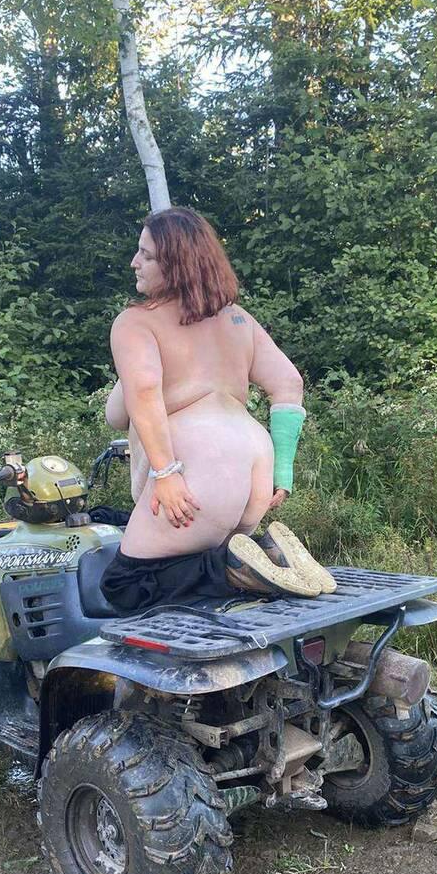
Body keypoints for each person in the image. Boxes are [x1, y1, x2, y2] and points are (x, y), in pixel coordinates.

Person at [98, 207, 336, 613]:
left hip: (200, 470)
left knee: (125, 584)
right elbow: (289, 383)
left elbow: (146, 391)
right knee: (192, 578)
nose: (134, 262)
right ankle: (269, 553)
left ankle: (234, 566)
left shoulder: (137, 323)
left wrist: (166, 473)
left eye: (146, 255)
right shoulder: (238, 319)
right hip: (254, 461)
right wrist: (282, 470)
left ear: (176, 264)